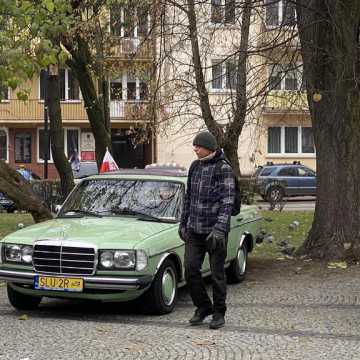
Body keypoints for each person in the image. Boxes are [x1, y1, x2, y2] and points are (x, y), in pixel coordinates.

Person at [179, 131, 235, 330]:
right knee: (191, 269)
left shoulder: (223, 168)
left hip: (215, 232)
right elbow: (188, 198)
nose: (195, 149)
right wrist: (183, 224)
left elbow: (227, 201)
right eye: (194, 146)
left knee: (217, 274)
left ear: (209, 148)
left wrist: (220, 229)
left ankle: (219, 313)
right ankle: (203, 307)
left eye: (198, 146)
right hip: (194, 230)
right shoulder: (194, 166)